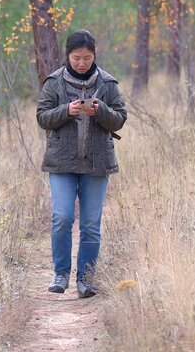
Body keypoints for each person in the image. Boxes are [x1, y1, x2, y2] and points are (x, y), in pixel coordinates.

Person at [36, 30, 127, 298]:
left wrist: (101, 111)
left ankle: (85, 280)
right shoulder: (53, 82)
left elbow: (120, 119)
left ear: (94, 55)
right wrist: (67, 110)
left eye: (87, 57)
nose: (81, 63)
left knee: (90, 223)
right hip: (61, 162)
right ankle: (60, 274)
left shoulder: (108, 84)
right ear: (68, 55)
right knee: (62, 217)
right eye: (76, 57)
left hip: (98, 162)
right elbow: (42, 117)